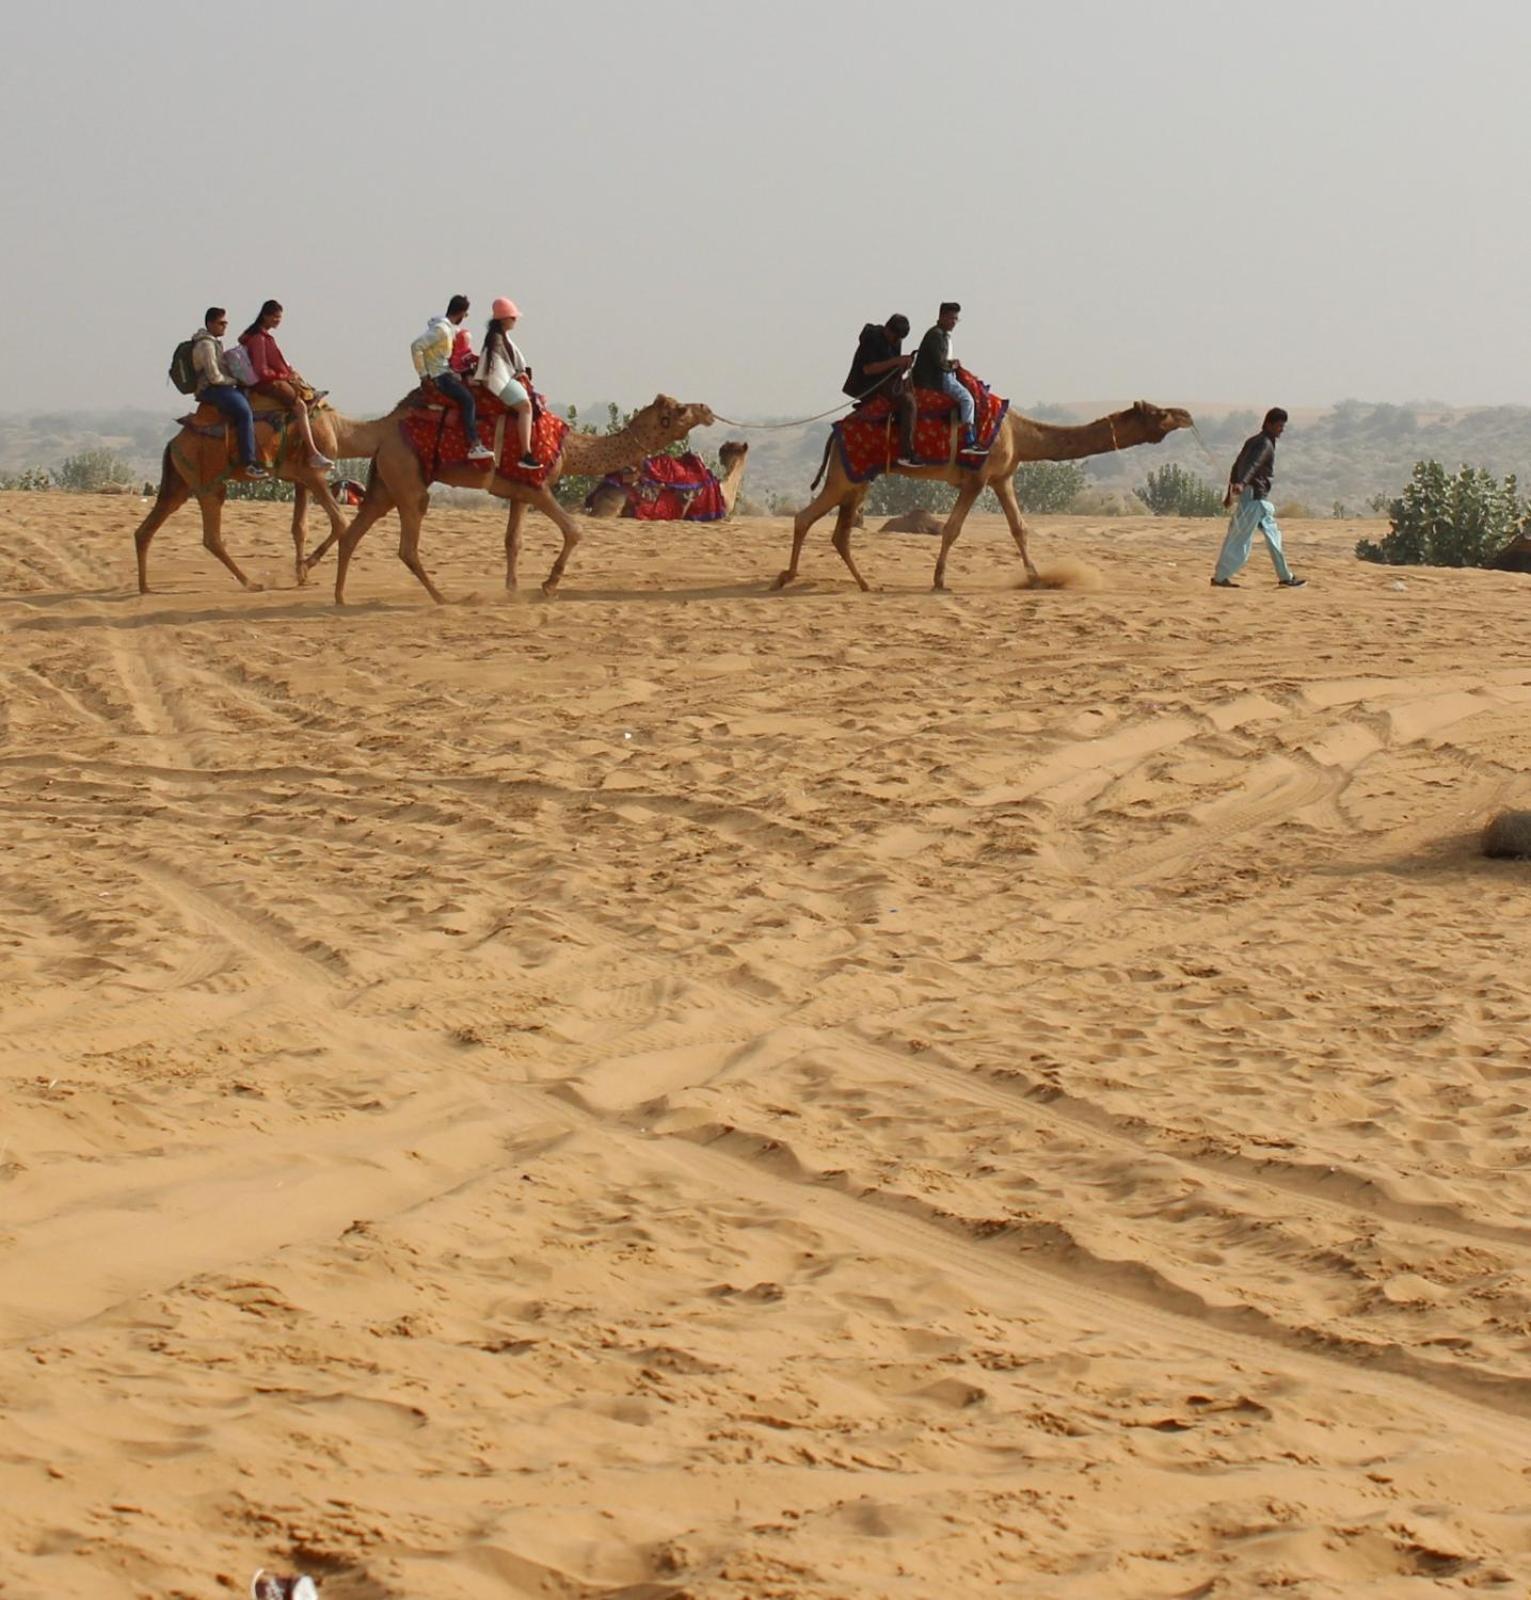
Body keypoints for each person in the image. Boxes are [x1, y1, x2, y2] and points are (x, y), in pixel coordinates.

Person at [1211, 408, 1307, 588]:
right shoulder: (1264, 444)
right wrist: (1240, 484)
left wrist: (1230, 492)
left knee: (1273, 538)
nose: (1282, 430)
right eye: (1279, 426)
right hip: (1254, 498)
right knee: (1239, 540)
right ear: (1269, 424)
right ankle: (1220, 578)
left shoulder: (1254, 441)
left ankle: (1286, 577)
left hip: (1258, 499)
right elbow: (1253, 465)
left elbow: (1236, 465)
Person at [239, 300, 333, 471]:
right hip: (267, 384)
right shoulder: (259, 338)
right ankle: (313, 453)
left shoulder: (260, 336)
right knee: (300, 407)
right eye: (275, 317)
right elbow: (261, 370)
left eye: (279, 317)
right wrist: (284, 375)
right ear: (265, 316)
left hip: (273, 380)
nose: (278, 321)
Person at [411, 295, 493, 462]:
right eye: (465, 314)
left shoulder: (447, 329)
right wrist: (424, 375)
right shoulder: (441, 330)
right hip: (440, 376)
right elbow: (416, 346)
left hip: (445, 373)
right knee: (468, 400)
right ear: (461, 313)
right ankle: (474, 444)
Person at [191, 307, 268, 479]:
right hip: (211, 389)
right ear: (210, 323)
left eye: (225, 322)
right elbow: (214, 377)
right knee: (244, 412)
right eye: (221, 323)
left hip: (221, 386)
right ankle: (249, 462)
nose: (225, 326)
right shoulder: (206, 345)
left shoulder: (214, 342)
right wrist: (235, 381)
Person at [474, 297, 539, 469]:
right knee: (525, 407)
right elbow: (497, 371)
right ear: (504, 319)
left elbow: (516, 362)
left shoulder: (502, 337)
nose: (515, 320)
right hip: (498, 381)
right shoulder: (496, 340)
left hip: (504, 378)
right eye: (513, 317)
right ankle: (526, 453)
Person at [909, 301, 977, 459]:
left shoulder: (943, 335)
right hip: (937, 379)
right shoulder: (936, 336)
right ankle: (969, 438)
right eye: (952, 318)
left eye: (956, 319)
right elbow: (940, 363)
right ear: (942, 317)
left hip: (944, 374)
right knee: (968, 399)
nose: (954, 322)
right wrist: (953, 365)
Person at [843, 314, 912, 401]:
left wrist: (903, 366)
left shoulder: (896, 342)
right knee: (908, 401)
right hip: (867, 385)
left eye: (899, 338)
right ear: (887, 328)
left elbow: (892, 370)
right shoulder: (873, 337)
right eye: (895, 337)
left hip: (884, 382)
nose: (897, 340)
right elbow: (868, 369)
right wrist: (896, 361)